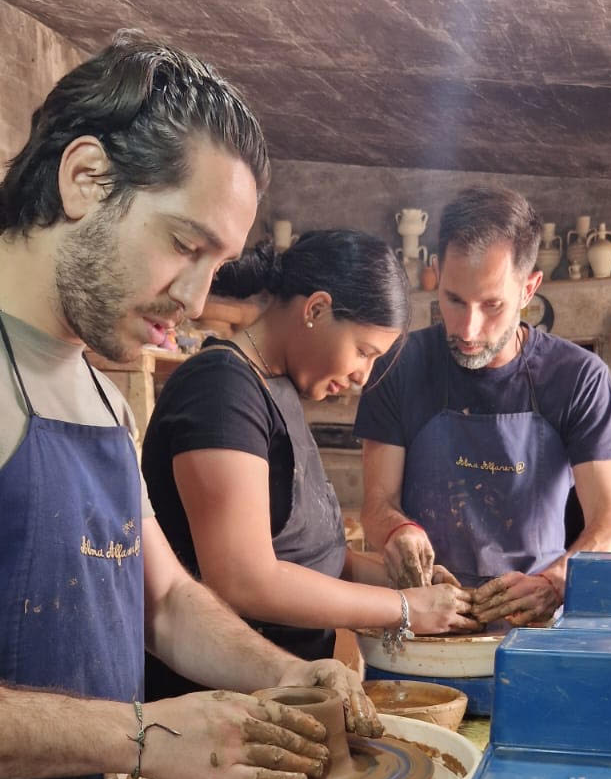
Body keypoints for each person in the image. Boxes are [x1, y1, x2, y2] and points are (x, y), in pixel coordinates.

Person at [0, 31, 377, 779]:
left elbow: (163, 601)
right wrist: (145, 736)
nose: (198, 299)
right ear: (86, 178)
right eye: (185, 243)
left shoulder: (93, 380)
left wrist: (283, 675)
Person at [141, 232, 475, 698]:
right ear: (316, 309)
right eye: (364, 351)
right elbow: (243, 579)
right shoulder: (220, 392)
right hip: (216, 702)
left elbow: (311, 559)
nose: (364, 375)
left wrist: (404, 582)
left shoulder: (277, 388)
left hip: (281, 690)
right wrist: (401, 608)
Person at [356, 187, 611, 627]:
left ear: (529, 288)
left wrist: (555, 582)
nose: (468, 329)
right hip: (423, 622)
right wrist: (396, 530)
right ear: (436, 274)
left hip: (532, 629)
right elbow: (376, 504)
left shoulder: (578, 377)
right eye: (454, 300)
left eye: (492, 306)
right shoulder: (399, 367)